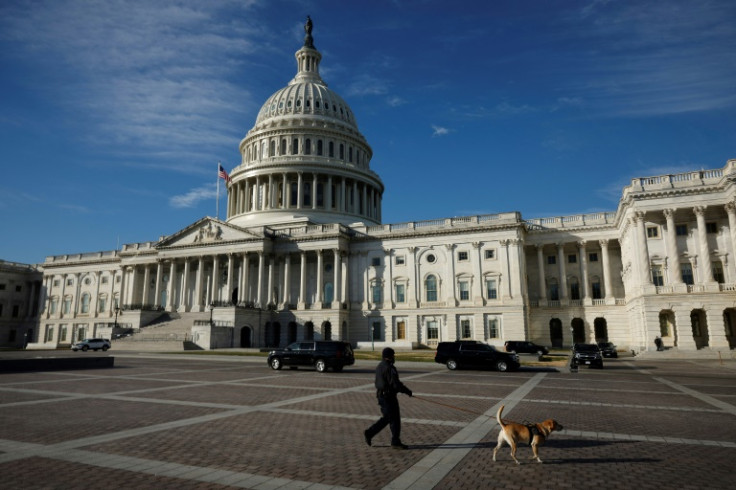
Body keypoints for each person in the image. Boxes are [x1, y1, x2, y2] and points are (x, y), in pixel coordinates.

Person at [364, 347, 413, 449]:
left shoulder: (380, 366)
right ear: (390, 356)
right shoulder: (390, 368)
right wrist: (407, 391)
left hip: (382, 396)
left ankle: (395, 440)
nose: (394, 357)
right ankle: (370, 433)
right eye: (393, 355)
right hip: (388, 397)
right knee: (390, 418)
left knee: (393, 418)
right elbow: (396, 384)